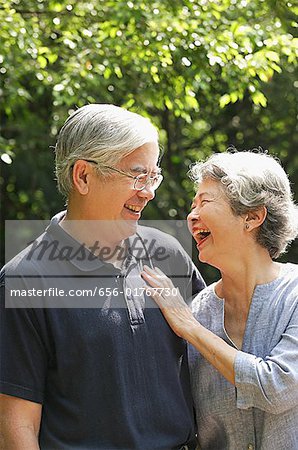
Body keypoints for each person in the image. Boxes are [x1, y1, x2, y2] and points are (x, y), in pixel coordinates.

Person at [0, 104, 206, 450]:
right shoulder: (25, 280)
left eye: (153, 176)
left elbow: (213, 360)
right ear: (83, 176)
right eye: (137, 176)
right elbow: (15, 426)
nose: (149, 191)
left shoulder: (167, 253)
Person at [142, 150, 298, 450]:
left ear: (252, 216)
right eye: (192, 205)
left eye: (205, 202)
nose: (191, 215)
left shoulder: (293, 295)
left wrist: (192, 330)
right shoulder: (196, 311)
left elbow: (277, 386)